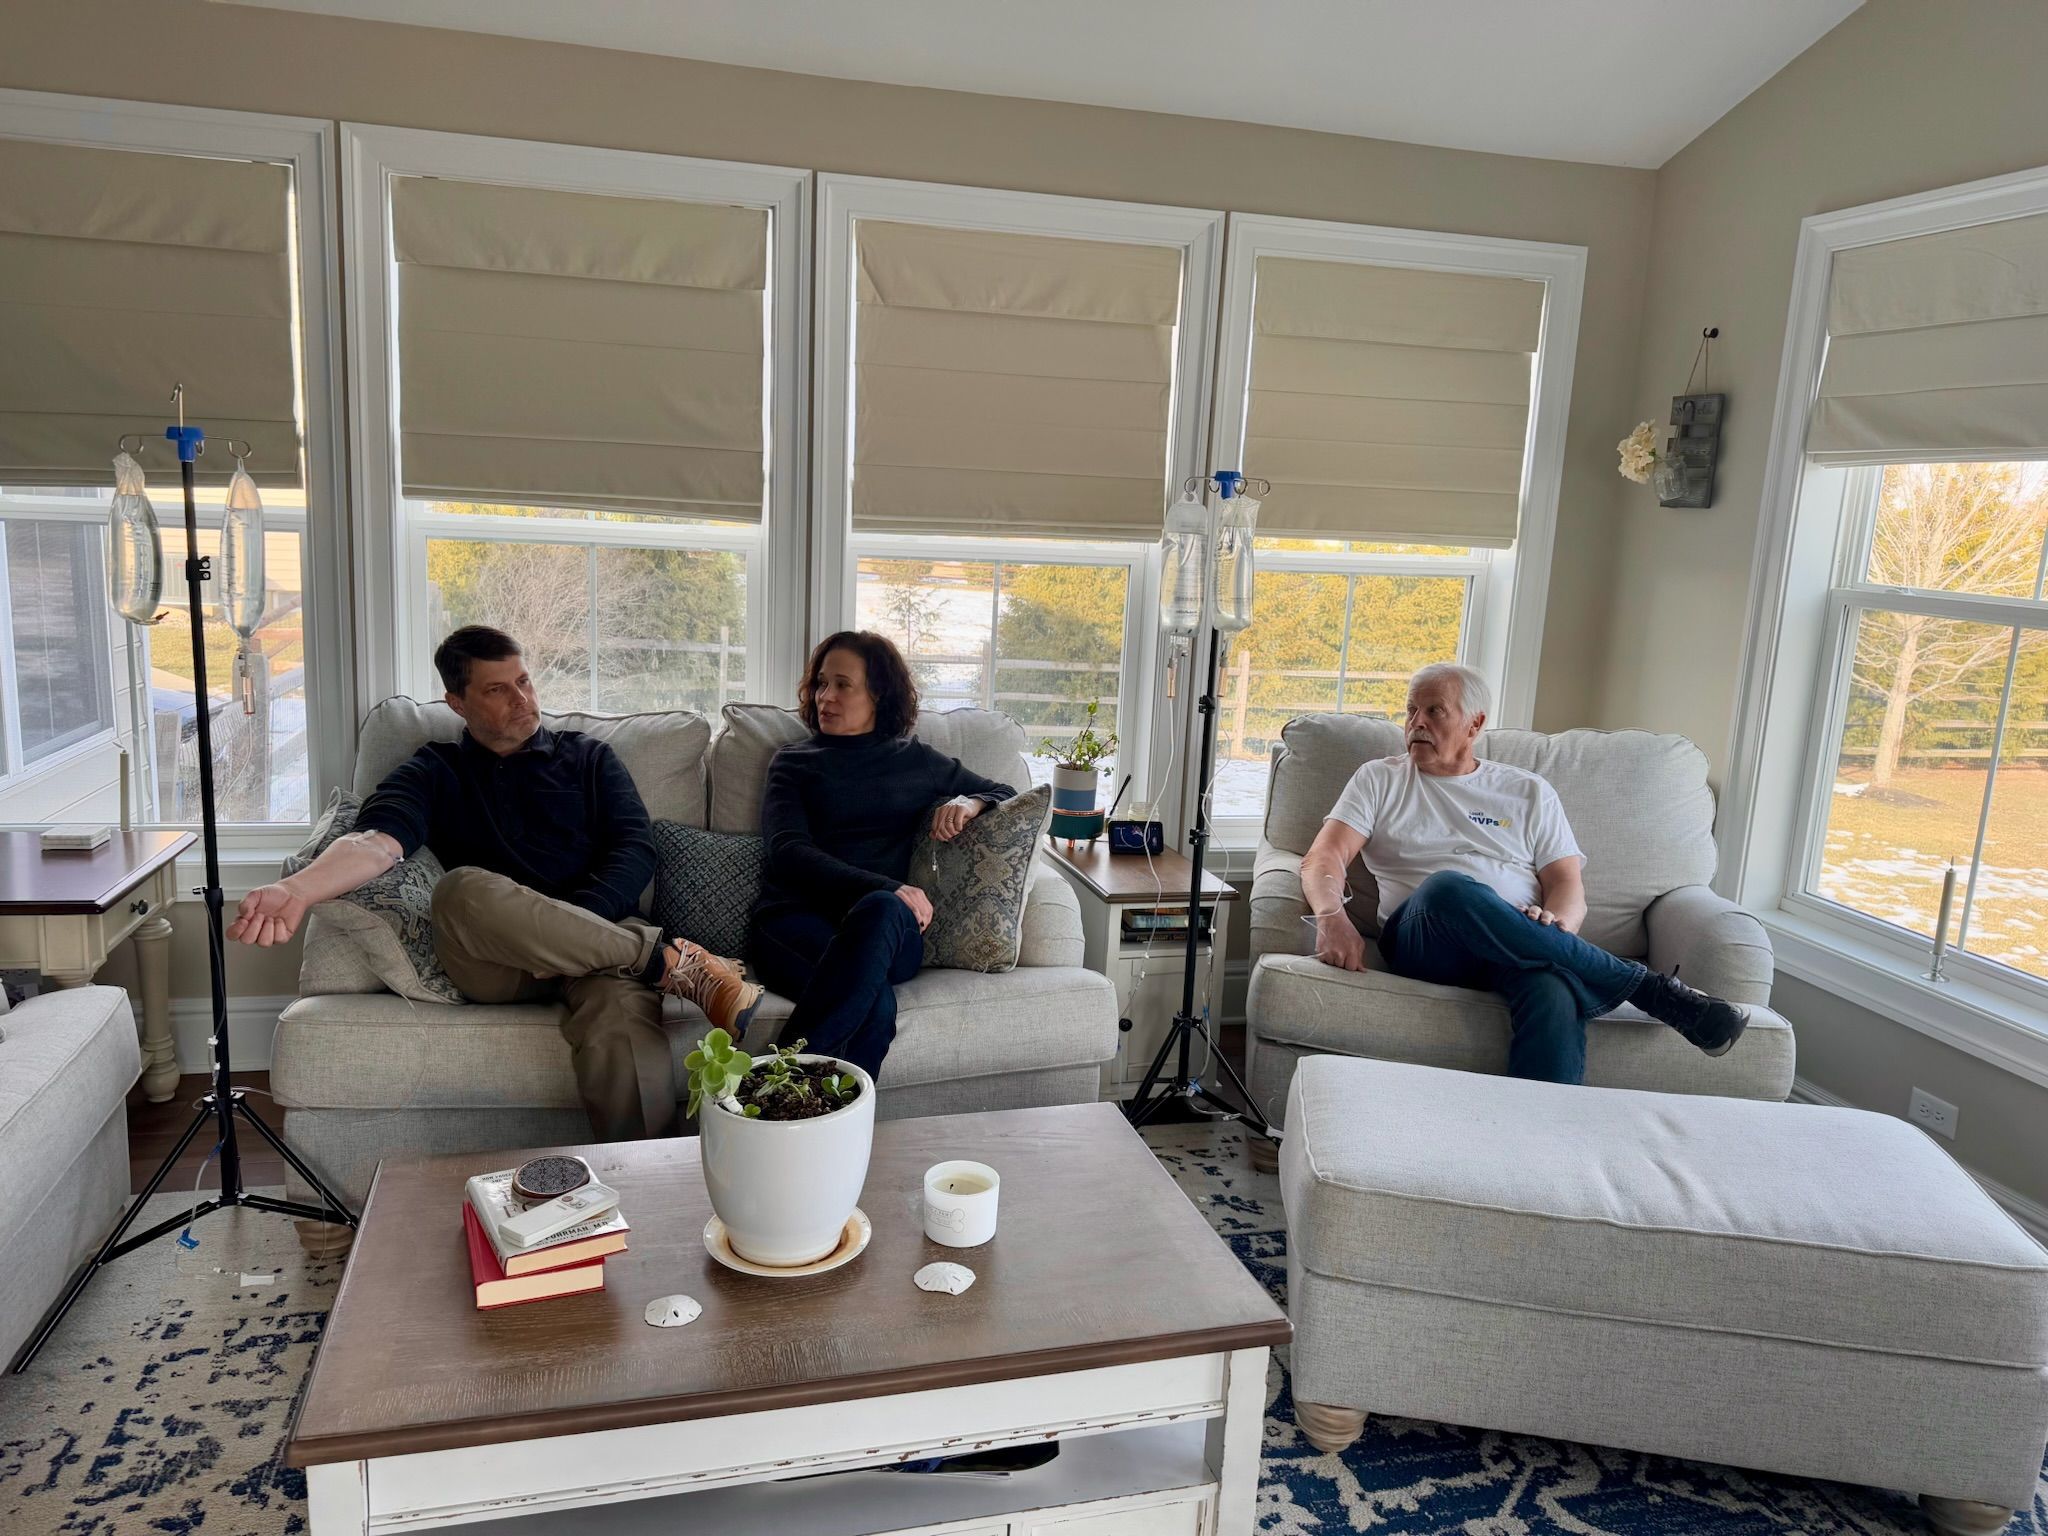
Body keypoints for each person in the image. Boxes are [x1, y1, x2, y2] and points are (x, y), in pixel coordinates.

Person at [227, 625, 759, 1141]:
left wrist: (575, 926)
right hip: (495, 962)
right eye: (497, 690)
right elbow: (374, 843)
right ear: (457, 702)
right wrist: (297, 890)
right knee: (461, 890)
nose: (522, 698)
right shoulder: (434, 770)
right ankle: (668, 962)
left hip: (600, 947)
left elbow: (634, 850)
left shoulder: (588, 758)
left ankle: (646, 1185)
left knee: (621, 1025)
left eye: (523, 681)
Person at [1297, 662, 1747, 1084]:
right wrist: (1331, 917)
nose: (1417, 722)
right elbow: (1323, 857)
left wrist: (1558, 924)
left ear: (1474, 725)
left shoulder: (1528, 791)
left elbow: (1566, 884)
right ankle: (1650, 990)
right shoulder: (1379, 779)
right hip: (1425, 937)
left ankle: (1540, 1134)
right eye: (1411, 710)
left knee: (1554, 988)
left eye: (1435, 711)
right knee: (1449, 887)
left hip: (1516, 942)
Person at [747, 631, 1015, 1080]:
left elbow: (1006, 792)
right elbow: (787, 851)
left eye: (842, 685)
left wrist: (969, 802)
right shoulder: (794, 762)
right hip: (797, 924)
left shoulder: (916, 760)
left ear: (879, 694)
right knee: (876, 1009)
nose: (825, 697)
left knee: (883, 909)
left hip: (889, 932)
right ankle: (811, 1107)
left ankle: (770, 1091)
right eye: (821, 683)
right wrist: (890, 887)